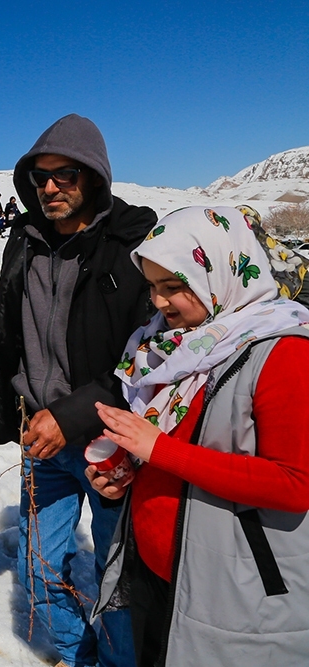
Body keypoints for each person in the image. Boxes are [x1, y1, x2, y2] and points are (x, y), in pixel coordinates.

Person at [0, 114, 156, 667]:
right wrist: (0, 404)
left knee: (115, 575)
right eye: (39, 177)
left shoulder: (131, 247)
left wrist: (71, 417)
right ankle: (81, 656)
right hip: (41, 437)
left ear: (93, 176)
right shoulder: (25, 240)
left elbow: (144, 360)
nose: (49, 187)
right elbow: (9, 331)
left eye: (65, 174)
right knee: (39, 568)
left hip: (108, 442)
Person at [88, 205, 309, 667]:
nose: (159, 303)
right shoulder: (172, 349)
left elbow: (295, 484)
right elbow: (173, 456)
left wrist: (159, 450)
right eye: (152, 287)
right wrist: (127, 474)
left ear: (223, 272)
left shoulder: (284, 352)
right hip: (156, 574)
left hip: (231, 593)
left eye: (173, 286)